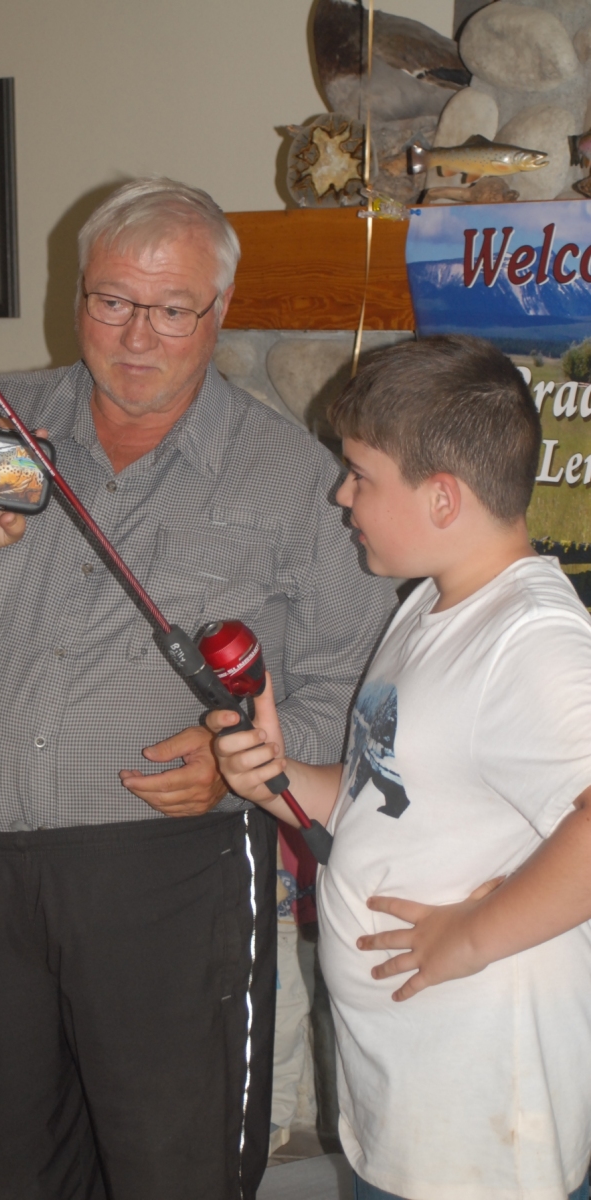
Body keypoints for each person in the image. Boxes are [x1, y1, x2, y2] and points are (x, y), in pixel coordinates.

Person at [0, 178, 395, 1200]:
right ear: (77, 292)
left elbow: (350, 688)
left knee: (172, 1169)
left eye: (171, 310)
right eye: (112, 300)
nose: (135, 335)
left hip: (172, 881)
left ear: (219, 311)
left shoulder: (293, 478)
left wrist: (234, 762)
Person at [208, 335, 591, 1200]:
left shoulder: (529, 640)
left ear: (442, 497)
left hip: (485, 1118)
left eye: (359, 474)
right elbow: (382, 797)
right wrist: (277, 775)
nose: (341, 496)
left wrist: (470, 934)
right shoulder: (429, 602)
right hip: (412, 1097)